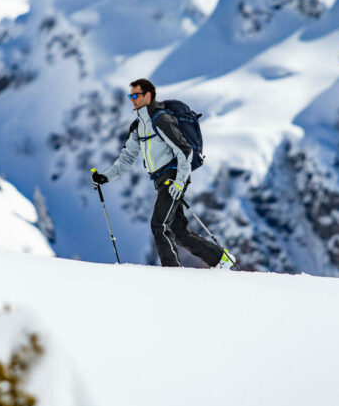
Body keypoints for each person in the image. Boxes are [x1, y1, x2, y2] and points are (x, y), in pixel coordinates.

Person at [92, 78, 235, 269]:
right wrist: (105, 176)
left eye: (136, 95)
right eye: (130, 96)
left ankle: (172, 271)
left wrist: (179, 182)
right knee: (178, 231)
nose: (132, 99)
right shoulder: (138, 126)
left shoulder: (161, 120)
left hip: (173, 177)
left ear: (148, 96)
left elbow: (184, 151)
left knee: (159, 225)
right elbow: (127, 158)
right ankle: (222, 260)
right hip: (161, 180)